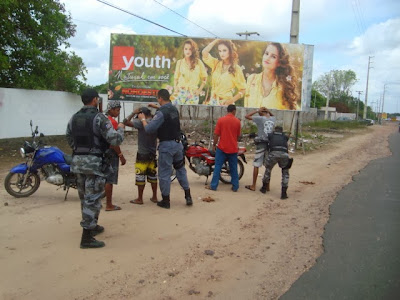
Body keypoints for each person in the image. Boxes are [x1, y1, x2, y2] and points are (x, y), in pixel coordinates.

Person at [66, 89, 125, 249]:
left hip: (78, 162)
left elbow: (69, 139)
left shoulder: (74, 118)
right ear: (94, 100)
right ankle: (87, 238)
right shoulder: (100, 118)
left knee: (85, 197)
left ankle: (93, 226)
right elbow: (115, 139)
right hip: (94, 164)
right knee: (92, 199)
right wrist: (120, 128)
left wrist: (82, 152)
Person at [138, 89, 192, 209]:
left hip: (166, 146)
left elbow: (149, 129)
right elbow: (165, 111)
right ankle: (188, 195)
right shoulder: (173, 109)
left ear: (160, 98)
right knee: (180, 169)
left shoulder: (161, 113)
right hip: (178, 145)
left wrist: (142, 119)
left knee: (164, 174)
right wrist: (156, 107)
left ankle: (166, 201)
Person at [244, 42, 299, 110]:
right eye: (266, 53)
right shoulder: (251, 79)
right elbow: (245, 108)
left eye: (273, 56)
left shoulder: (283, 88)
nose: (267, 58)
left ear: (279, 62)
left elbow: (293, 111)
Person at [123, 107, 158, 205]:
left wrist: (132, 113)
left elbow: (125, 122)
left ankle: (140, 198)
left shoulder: (141, 123)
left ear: (141, 114)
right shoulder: (154, 122)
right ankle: (155, 196)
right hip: (152, 153)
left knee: (140, 176)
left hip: (142, 154)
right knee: (153, 176)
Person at [205, 104, 241, 191]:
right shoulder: (237, 121)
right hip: (233, 148)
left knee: (217, 167)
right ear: (234, 111)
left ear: (227, 111)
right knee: (234, 168)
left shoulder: (221, 120)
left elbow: (216, 134)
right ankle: (235, 187)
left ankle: (213, 186)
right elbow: (238, 136)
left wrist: (214, 145)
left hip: (222, 148)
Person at [202, 39, 246, 106]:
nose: (221, 53)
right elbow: (204, 52)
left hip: (226, 104)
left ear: (230, 51)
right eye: (220, 51)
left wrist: (231, 101)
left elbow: (243, 89)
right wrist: (216, 40)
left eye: (224, 50)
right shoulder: (216, 64)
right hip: (212, 102)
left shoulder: (236, 69)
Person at [244, 107, 276, 191]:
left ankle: (253, 185)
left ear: (261, 113)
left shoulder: (260, 118)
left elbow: (246, 116)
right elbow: (273, 115)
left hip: (261, 143)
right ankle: (267, 186)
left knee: (256, 164)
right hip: (270, 144)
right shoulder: (272, 119)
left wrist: (257, 110)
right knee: (268, 165)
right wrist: (268, 111)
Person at [104, 100, 126, 211]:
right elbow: (114, 142)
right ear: (111, 110)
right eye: (117, 110)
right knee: (110, 179)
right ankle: (109, 204)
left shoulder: (102, 120)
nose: (118, 113)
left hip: (102, 152)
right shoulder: (112, 122)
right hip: (110, 153)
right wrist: (121, 155)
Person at [260, 126, 293, 199]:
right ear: (282, 131)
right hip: (284, 154)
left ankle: (264, 188)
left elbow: (262, 139)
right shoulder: (285, 136)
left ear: (275, 130)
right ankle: (283, 193)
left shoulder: (271, 135)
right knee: (285, 173)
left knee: (268, 170)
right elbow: (287, 139)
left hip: (273, 154)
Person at [172, 39, 208, 105]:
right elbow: (176, 78)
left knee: (190, 114)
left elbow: (204, 78)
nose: (187, 51)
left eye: (190, 49)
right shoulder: (179, 62)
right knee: (176, 113)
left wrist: (199, 90)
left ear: (193, 50)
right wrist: (175, 88)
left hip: (193, 94)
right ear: (183, 50)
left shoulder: (198, 63)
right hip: (180, 92)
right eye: (186, 49)